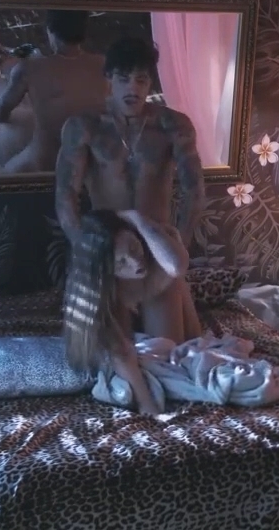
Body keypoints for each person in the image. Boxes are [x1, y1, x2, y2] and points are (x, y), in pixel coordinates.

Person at [54, 36, 205, 345]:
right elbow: (66, 196)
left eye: (141, 80)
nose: (133, 88)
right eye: (124, 79)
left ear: (150, 82)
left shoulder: (172, 125)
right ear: (109, 78)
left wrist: (177, 249)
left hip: (157, 252)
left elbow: (194, 191)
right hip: (110, 254)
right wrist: (91, 255)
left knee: (169, 353)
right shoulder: (84, 126)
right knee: (108, 358)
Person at [63, 209, 189, 415]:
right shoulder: (98, 293)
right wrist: (147, 404)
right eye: (121, 262)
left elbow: (176, 266)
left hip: (150, 327)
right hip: (116, 347)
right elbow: (120, 353)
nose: (136, 262)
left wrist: (136, 218)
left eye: (133, 247)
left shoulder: (153, 240)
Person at [0, 10, 107, 173]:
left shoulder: (30, 69)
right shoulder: (104, 63)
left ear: (50, 31)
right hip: (94, 159)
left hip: (47, 159)